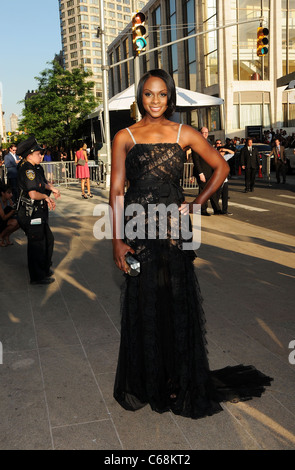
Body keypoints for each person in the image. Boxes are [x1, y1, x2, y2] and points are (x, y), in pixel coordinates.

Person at [109, 69, 272, 420]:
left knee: (175, 303)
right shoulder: (124, 136)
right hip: (137, 230)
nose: (155, 100)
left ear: (170, 97)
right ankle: (150, 378)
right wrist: (117, 241)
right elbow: (117, 191)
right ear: (140, 96)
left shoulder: (184, 132)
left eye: (162, 94)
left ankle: (176, 380)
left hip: (171, 231)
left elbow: (220, 168)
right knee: (144, 305)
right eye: (149, 94)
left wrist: (197, 204)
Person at [17, 136, 60, 285]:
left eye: (42, 153)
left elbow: (42, 182)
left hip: (38, 210)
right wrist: (46, 198)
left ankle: (44, 268)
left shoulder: (36, 167)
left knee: (48, 240)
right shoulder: (27, 169)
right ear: (29, 155)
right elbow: (33, 194)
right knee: (37, 244)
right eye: (38, 154)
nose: (41, 156)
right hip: (31, 211)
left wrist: (52, 188)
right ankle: (37, 276)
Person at [191, 127, 222, 216]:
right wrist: (200, 173)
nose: (205, 134)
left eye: (206, 132)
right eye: (203, 132)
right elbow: (196, 160)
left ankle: (216, 209)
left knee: (212, 191)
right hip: (201, 172)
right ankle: (203, 210)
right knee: (203, 191)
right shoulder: (196, 144)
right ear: (199, 133)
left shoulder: (209, 143)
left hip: (210, 171)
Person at [215, 144, 234, 215]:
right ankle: (216, 210)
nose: (222, 153)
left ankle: (225, 210)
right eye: (221, 152)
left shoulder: (225, 158)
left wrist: (225, 149)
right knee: (217, 196)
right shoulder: (215, 159)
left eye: (223, 152)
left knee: (225, 196)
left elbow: (232, 153)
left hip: (225, 180)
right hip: (218, 180)